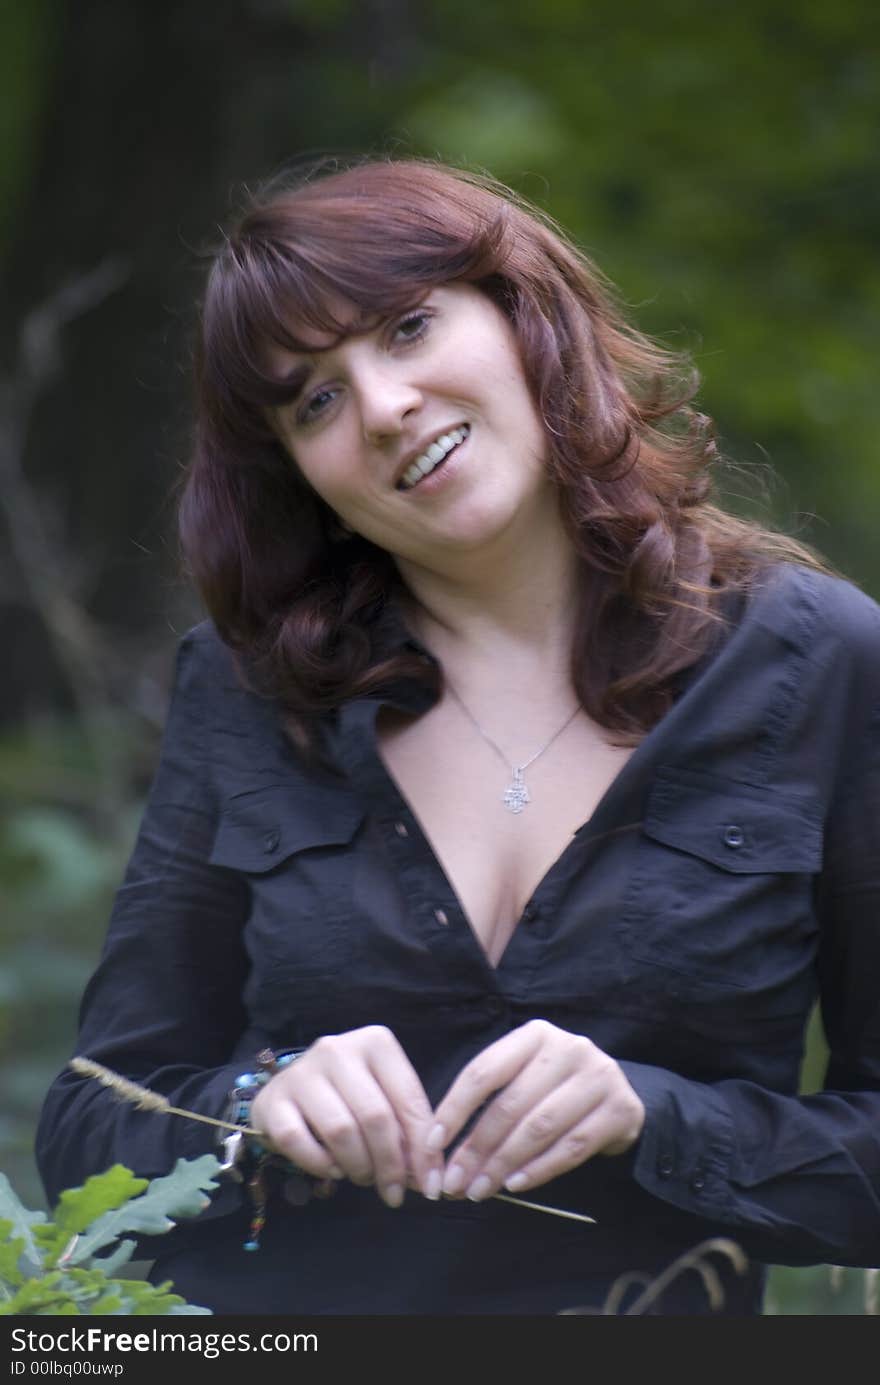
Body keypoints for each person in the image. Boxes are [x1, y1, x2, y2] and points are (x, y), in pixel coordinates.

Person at [36, 156, 880, 1316]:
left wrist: (658, 1114)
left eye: (409, 327)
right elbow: (89, 1118)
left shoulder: (822, 662)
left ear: (525, 315)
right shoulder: (245, 690)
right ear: (299, 476)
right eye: (313, 400)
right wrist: (257, 1104)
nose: (382, 407)